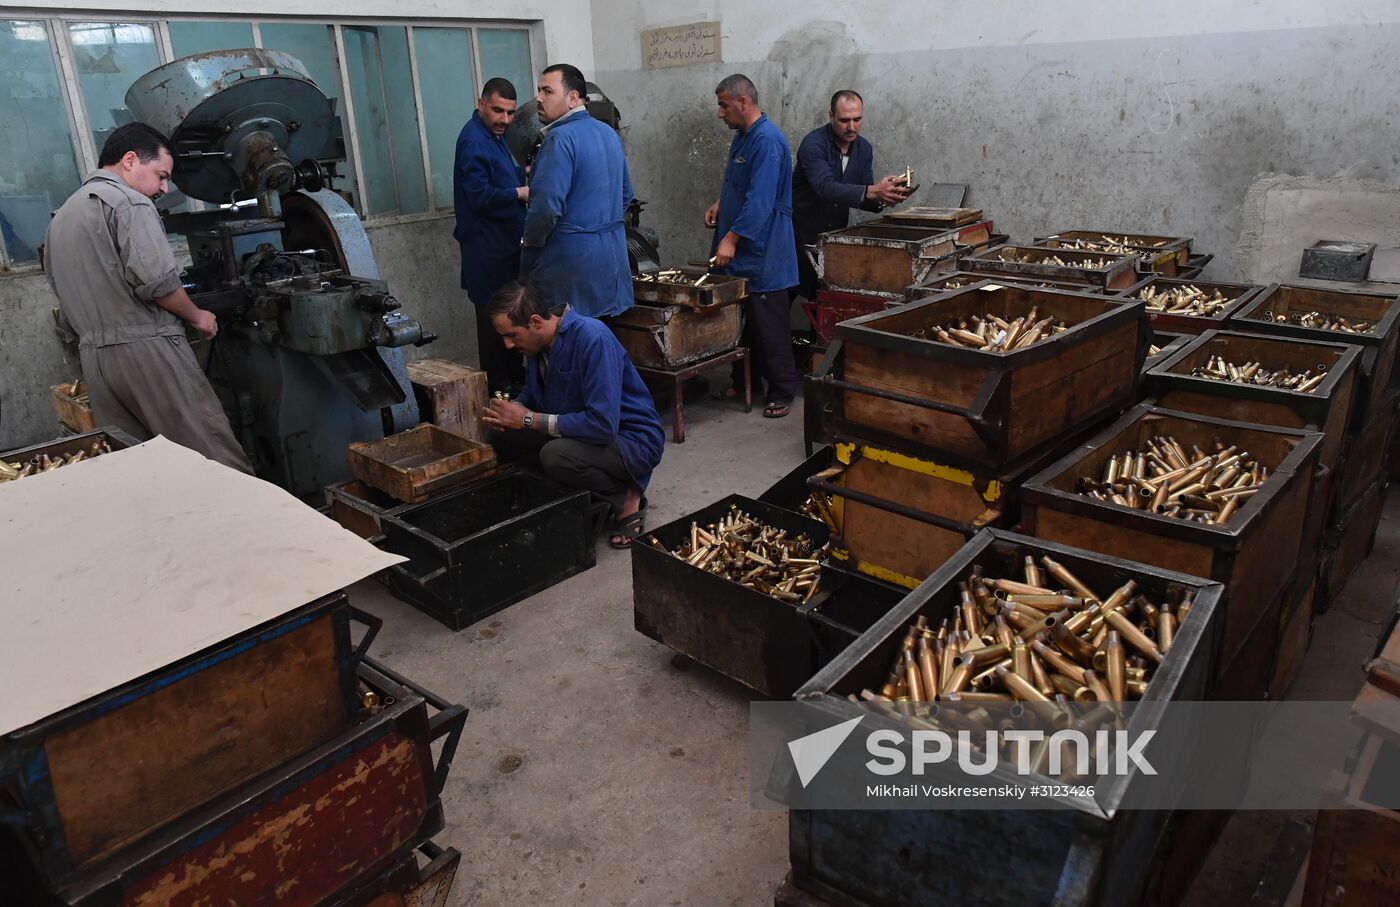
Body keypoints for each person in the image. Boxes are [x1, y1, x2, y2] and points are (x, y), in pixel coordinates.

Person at [43, 123, 251, 473]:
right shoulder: (129, 203)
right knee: (213, 459)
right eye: (161, 175)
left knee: (141, 470)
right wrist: (197, 316)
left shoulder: (61, 219)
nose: (163, 188)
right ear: (129, 160)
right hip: (147, 352)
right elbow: (157, 282)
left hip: (96, 362)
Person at [480, 282, 663, 548]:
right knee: (500, 433)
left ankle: (624, 495)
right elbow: (533, 395)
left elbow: (602, 425)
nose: (508, 345)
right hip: (579, 432)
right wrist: (510, 412)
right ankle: (574, 491)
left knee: (555, 455)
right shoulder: (535, 346)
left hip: (630, 440)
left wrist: (528, 419)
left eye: (512, 335)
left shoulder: (592, 339)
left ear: (534, 322)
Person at [704, 74, 800, 419]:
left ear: (743, 103)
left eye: (723, 105)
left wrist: (731, 237)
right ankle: (744, 382)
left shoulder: (767, 141)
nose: (720, 113)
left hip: (765, 254)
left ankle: (782, 390)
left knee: (769, 326)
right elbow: (742, 186)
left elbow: (760, 201)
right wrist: (720, 202)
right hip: (742, 251)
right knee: (743, 325)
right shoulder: (743, 138)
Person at [520, 64, 634, 319]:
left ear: (573, 98)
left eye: (547, 91)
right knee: (601, 348)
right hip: (612, 262)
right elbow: (626, 194)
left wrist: (529, 247)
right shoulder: (608, 133)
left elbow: (545, 209)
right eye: (539, 90)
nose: (538, 98)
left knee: (566, 349)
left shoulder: (559, 139)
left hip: (570, 269)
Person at [791, 89, 913, 301]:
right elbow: (825, 187)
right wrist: (872, 191)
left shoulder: (864, 148)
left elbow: (864, 193)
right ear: (830, 116)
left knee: (824, 301)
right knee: (783, 299)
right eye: (844, 120)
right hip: (797, 236)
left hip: (832, 242)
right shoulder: (813, 145)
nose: (851, 127)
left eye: (857, 119)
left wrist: (886, 197)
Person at [454, 77, 529, 394]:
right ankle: (500, 391)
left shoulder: (494, 136)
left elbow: (498, 174)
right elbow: (480, 196)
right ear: (481, 103)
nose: (505, 120)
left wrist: (522, 174)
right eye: (498, 111)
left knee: (511, 320)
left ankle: (515, 384)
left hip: (506, 249)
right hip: (487, 253)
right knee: (493, 326)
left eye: (511, 113)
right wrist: (520, 192)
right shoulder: (473, 141)